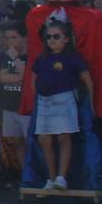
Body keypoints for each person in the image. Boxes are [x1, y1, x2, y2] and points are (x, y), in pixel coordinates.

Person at [27, 19, 91, 190]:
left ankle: (62, 177)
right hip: (44, 100)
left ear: (66, 39)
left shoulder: (72, 57)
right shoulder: (42, 58)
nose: (52, 40)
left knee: (64, 136)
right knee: (44, 139)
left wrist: (92, 100)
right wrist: (36, 98)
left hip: (64, 99)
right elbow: (33, 78)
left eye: (56, 36)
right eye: (48, 37)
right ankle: (51, 177)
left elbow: (86, 77)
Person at [0, 24, 29, 183]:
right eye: (7, 38)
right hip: (8, 104)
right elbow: (2, 78)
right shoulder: (2, 56)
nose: (10, 41)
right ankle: (25, 175)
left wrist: (15, 59)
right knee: (16, 142)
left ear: (24, 38)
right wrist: (18, 76)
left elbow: (26, 76)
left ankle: (37, 174)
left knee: (31, 142)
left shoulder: (30, 55)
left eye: (14, 37)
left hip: (26, 106)